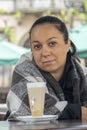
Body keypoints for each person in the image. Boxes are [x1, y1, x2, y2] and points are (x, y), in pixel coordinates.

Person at [6, 15, 87, 121]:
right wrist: (77, 112)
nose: (45, 53)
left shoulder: (81, 74)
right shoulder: (24, 70)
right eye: (37, 46)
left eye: (52, 43)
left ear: (67, 44)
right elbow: (30, 112)